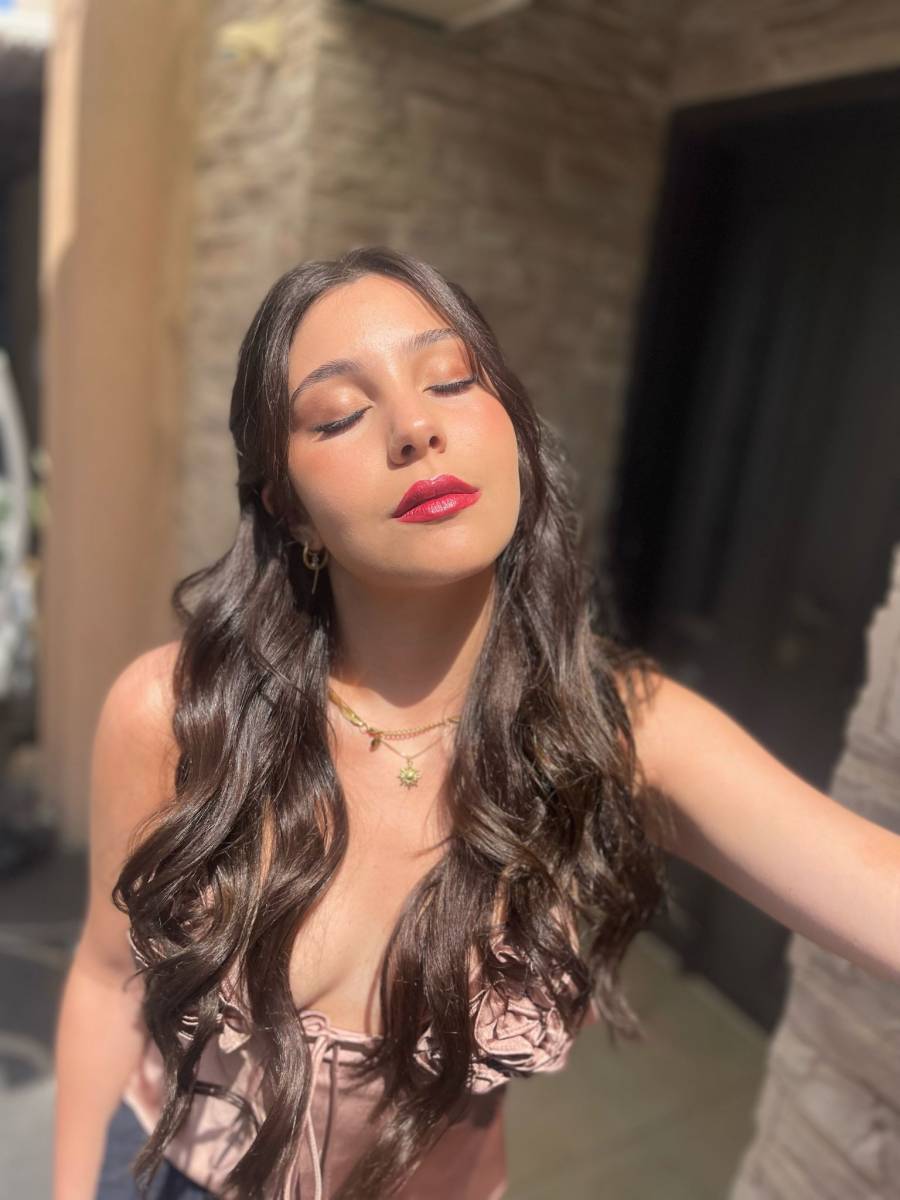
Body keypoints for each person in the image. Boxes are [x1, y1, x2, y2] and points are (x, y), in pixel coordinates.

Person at [53, 245, 900, 1200]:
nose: (415, 427)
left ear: (516, 433)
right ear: (289, 508)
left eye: (452, 380)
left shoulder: (618, 731)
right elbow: (103, 979)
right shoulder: (179, 717)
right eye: (340, 414)